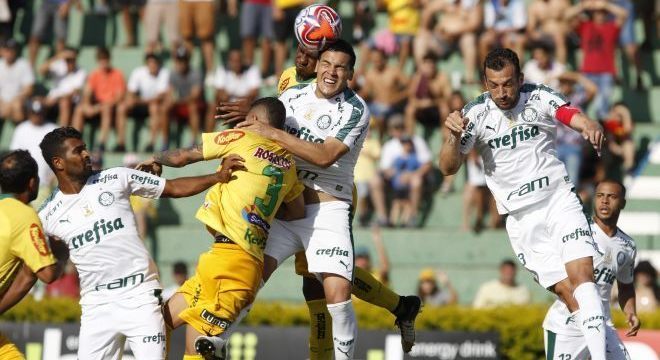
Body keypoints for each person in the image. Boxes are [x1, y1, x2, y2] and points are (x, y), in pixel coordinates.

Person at [218, 39, 422, 359]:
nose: (331, 72)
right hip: (286, 206)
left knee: (334, 293)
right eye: (326, 63)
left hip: (329, 208)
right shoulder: (292, 95)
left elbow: (325, 156)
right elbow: (264, 131)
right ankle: (216, 342)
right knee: (249, 278)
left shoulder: (357, 109)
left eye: (340, 67)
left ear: (351, 73)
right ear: (316, 65)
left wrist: (273, 133)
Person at [439, 48, 608, 359]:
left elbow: (570, 115)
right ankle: (613, 352)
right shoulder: (474, 114)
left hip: (558, 200)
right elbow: (449, 167)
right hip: (521, 218)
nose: (502, 93)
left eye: (508, 83)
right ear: (484, 82)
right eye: (494, 85)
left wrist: (589, 126)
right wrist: (450, 136)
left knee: (584, 278)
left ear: (520, 78)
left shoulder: (539, 96)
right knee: (570, 296)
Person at [37, 126, 244, 360]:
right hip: (96, 306)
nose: (87, 154)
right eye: (78, 151)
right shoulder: (47, 216)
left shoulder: (116, 177)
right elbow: (54, 261)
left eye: (85, 148)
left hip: (140, 296)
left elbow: (174, 188)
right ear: (59, 163)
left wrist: (217, 177)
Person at [138, 97, 305, 359]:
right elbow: (298, 211)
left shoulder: (242, 137)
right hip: (229, 262)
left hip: (231, 266)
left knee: (195, 352)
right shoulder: (289, 165)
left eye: (247, 119)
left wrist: (154, 158)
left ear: (255, 121)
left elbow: (183, 157)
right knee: (158, 323)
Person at [543, 180, 640, 359]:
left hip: (603, 324)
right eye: (600, 196)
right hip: (568, 324)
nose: (604, 201)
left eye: (611, 197)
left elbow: (625, 286)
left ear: (623, 203)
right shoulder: (578, 232)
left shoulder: (628, 246)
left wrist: (631, 312)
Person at [0, 150, 69, 358]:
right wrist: (61, 251)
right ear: (32, 183)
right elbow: (46, 274)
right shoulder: (24, 216)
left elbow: (28, 274)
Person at [565, 0, 628, 120]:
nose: (600, 15)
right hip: (587, 72)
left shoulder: (611, 27)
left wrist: (605, 5)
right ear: (593, 14)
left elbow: (624, 15)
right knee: (579, 107)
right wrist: (584, 6)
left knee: (602, 110)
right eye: (597, 13)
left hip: (606, 73)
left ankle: (603, 135)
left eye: (603, 13)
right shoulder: (585, 26)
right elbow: (567, 16)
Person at [379, 115, 433, 228]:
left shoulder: (417, 141)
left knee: (416, 182)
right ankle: (386, 219)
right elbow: (385, 168)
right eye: (395, 128)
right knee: (395, 201)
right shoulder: (389, 146)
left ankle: (411, 218)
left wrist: (412, 175)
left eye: (401, 127)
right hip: (396, 180)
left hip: (413, 177)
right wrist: (396, 174)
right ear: (391, 130)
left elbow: (427, 164)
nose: (398, 131)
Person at [71, 47, 127, 151]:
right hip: (98, 105)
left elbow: (119, 96)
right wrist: (88, 105)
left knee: (107, 108)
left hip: (110, 105)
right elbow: (88, 92)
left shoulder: (117, 74)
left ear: (109, 59)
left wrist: (103, 105)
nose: (104, 62)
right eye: (101, 59)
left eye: (105, 59)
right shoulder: (95, 74)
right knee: (79, 109)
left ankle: (102, 142)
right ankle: (75, 141)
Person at [414, 0, 482, 83]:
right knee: (421, 37)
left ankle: (470, 77)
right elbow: (424, 26)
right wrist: (431, 10)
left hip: (460, 41)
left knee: (469, 38)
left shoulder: (472, 3)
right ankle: (421, 72)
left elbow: (475, 24)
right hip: (440, 40)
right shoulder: (442, 2)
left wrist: (454, 31)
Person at [9, 98, 58, 205]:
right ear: (29, 112)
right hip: (22, 186)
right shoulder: (21, 129)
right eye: (34, 113)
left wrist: (53, 177)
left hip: (44, 186)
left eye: (39, 113)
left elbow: (59, 156)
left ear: (44, 112)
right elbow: (14, 156)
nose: (37, 116)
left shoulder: (53, 129)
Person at [117, 53, 170, 152]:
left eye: (155, 63)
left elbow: (159, 98)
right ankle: (121, 143)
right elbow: (130, 92)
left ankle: (151, 143)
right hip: (140, 104)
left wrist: (137, 100)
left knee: (154, 107)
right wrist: (132, 100)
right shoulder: (138, 72)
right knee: (122, 108)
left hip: (150, 105)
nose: (152, 65)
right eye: (150, 63)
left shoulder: (164, 73)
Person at [360, 48, 409, 140]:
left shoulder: (394, 71)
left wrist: (397, 98)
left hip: (391, 106)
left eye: (378, 60)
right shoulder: (370, 73)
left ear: (385, 59)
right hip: (375, 106)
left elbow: (410, 89)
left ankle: (380, 141)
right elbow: (365, 92)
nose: (376, 63)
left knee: (381, 117)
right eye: (374, 61)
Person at [207, 49, 261, 132]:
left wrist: (234, 98)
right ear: (229, 61)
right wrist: (237, 100)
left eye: (238, 61)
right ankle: (207, 138)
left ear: (242, 61)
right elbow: (219, 94)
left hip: (245, 107)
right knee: (213, 106)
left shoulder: (252, 69)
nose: (236, 64)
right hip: (227, 105)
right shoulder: (222, 69)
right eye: (234, 61)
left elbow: (254, 94)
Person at [404, 52, 451, 140]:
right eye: (426, 65)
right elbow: (411, 97)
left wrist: (432, 100)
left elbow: (448, 98)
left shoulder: (442, 77)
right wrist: (420, 103)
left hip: (436, 110)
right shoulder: (417, 77)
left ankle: (445, 136)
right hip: (421, 110)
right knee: (410, 109)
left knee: (444, 108)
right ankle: (409, 137)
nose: (429, 68)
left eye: (431, 65)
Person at [164, 46, 203, 147]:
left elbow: (195, 96)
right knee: (165, 107)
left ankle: (194, 140)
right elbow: (169, 92)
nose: (181, 63)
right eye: (179, 60)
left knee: (192, 106)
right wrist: (171, 100)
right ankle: (165, 142)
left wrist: (177, 101)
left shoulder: (195, 73)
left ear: (188, 61)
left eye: (183, 60)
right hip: (180, 105)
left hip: (192, 105)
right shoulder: (173, 74)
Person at [39, 47, 87, 127]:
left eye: (71, 59)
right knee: (37, 102)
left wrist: (56, 99)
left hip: (69, 102)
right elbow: (41, 70)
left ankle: (62, 132)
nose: (69, 62)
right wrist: (58, 56)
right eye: (67, 59)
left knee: (64, 102)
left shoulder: (81, 72)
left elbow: (74, 92)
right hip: (52, 100)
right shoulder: (59, 66)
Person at [28, 0, 81, 67]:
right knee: (35, 35)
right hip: (46, 4)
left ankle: (59, 67)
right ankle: (30, 67)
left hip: (62, 4)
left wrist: (68, 4)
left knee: (60, 38)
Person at [478, 0, 527, 66]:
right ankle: (485, 70)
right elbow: (489, 25)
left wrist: (505, 32)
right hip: (495, 34)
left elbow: (519, 26)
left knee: (509, 41)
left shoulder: (517, 3)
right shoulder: (491, 3)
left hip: (511, 34)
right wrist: (497, 33)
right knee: (484, 40)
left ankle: (513, 70)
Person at [0, 39, 34, 124]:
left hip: (18, 101)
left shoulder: (23, 65)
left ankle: (20, 131)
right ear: (2, 51)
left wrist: (12, 102)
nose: (9, 52)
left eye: (12, 50)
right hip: (2, 102)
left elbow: (29, 89)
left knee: (17, 105)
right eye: (7, 49)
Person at [526, 0, 570, 64]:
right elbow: (530, 26)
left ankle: (560, 68)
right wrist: (534, 34)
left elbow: (570, 18)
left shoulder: (561, 2)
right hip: (545, 35)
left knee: (559, 38)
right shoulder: (535, 6)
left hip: (563, 34)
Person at [240, 0, 274, 79]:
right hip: (249, 2)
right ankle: (249, 72)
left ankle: (264, 74)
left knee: (267, 39)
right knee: (248, 36)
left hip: (269, 4)